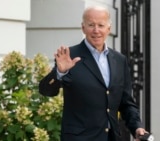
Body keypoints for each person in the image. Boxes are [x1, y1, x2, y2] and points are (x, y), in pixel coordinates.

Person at [39, 5, 148, 141]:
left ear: (109, 28)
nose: (96, 30)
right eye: (91, 25)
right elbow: (45, 90)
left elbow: (126, 102)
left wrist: (136, 127)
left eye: (101, 25)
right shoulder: (70, 56)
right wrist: (60, 72)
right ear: (83, 27)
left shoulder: (119, 60)